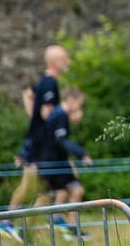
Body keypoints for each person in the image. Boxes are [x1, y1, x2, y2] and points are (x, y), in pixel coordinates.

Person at [0, 45, 70, 243]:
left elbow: (28, 94)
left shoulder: (44, 82)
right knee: (32, 184)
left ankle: (23, 224)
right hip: (40, 145)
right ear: (55, 61)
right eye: (65, 58)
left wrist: (34, 122)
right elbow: (47, 114)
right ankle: (8, 222)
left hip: (37, 142)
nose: (68, 62)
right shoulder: (50, 83)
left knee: (45, 187)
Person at [35, 86, 93, 242]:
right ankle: (68, 227)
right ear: (71, 100)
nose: (79, 108)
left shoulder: (57, 113)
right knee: (75, 190)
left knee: (58, 193)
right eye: (79, 104)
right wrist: (82, 153)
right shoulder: (61, 115)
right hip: (53, 163)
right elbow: (61, 141)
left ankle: (59, 222)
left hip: (52, 161)